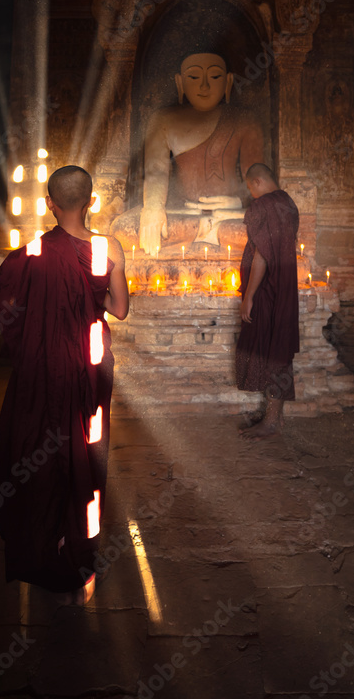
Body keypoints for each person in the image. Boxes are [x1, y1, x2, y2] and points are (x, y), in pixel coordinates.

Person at [0, 165, 129, 603]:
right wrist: (91, 297)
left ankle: (45, 546)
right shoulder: (107, 247)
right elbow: (119, 309)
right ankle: (82, 555)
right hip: (90, 367)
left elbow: (9, 301)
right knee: (85, 451)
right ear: (91, 202)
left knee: (42, 448)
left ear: (50, 204)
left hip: (46, 366)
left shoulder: (30, 253)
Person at [111, 52, 265, 254]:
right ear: (180, 83)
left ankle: (204, 232)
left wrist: (238, 203)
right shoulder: (163, 120)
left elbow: (258, 182)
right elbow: (156, 170)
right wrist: (153, 208)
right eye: (194, 77)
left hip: (230, 216)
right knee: (122, 231)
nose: (204, 86)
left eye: (215, 77)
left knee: (267, 230)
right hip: (183, 212)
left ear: (228, 82)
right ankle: (210, 233)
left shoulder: (244, 120)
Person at [235, 164, 300, 439]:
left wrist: (248, 296)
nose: (252, 195)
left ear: (258, 181)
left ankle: (272, 421)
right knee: (278, 345)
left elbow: (262, 254)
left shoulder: (263, 206)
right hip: (284, 287)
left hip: (267, 289)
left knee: (270, 349)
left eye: (251, 188)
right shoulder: (288, 203)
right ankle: (274, 416)